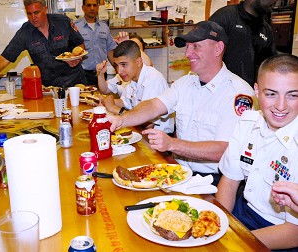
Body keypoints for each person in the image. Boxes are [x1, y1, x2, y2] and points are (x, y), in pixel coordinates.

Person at [108, 21, 255, 185]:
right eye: (187, 47)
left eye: (196, 47)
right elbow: (154, 105)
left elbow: (224, 149)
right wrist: (122, 120)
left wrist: (172, 144)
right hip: (179, 172)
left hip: (214, 182)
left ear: (218, 48)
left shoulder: (237, 93)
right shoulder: (185, 83)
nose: (187, 53)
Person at [216, 54, 298, 250]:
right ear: (256, 91)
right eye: (271, 94)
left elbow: (294, 234)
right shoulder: (247, 123)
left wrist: (230, 241)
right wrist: (216, 225)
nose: (280, 106)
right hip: (243, 213)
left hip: (282, 235)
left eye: (293, 95)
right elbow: (229, 182)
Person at [0, 0, 86, 88]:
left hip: (75, 83)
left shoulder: (63, 22)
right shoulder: (25, 32)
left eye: (36, 12)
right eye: (29, 13)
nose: (33, 18)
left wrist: (77, 58)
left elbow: (80, 44)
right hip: (49, 88)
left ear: (45, 9)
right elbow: (4, 59)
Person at [99, 40, 174, 134]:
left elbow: (148, 123)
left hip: (159, 139)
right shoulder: (132, 78)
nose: (119, 71)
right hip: (142, 131)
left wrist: (114, 108)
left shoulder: (152, 79)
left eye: (124, 64)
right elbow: (127, 102)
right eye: (117, 65)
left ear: (138, 62)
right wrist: (107, 101)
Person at [209, 0, 277, 87]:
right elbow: (205, 52)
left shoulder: (266, 29)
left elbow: (270, 65)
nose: (276, 1)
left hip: (248, 94)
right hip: (219, 91)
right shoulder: (226, 16)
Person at [74, 0, 117, 85]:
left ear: (98, 7)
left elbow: (110, 50)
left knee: (101, 97)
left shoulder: (104, 27)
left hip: (101, 73)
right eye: (89, 5)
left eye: (94, 5)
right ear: (83, 8)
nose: (92, 8)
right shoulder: (75, 27)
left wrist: (118, 68)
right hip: (82, 73)